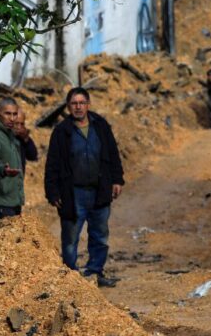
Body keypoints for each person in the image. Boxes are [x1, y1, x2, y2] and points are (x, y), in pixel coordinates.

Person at [45, 87, 124, 288]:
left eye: (81, 103)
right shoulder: (62, 132)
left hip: (100, 190)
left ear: (88, 104)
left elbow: (113, 154)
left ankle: (95, 272)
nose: (78, 107)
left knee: (100, 235)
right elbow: (52, 164)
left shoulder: (100, 125)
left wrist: (117, 179)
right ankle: (71, 278)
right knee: (70, 238)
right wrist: (52, 192)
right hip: (73, 193)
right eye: (74, 103)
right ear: (68, 107)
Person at [13, 109, 38, 176]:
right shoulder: (3, 136)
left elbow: (33, 156)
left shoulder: (22, 138)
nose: (19, 127)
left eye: (22, 124)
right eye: (16, 123)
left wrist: (26, 139)